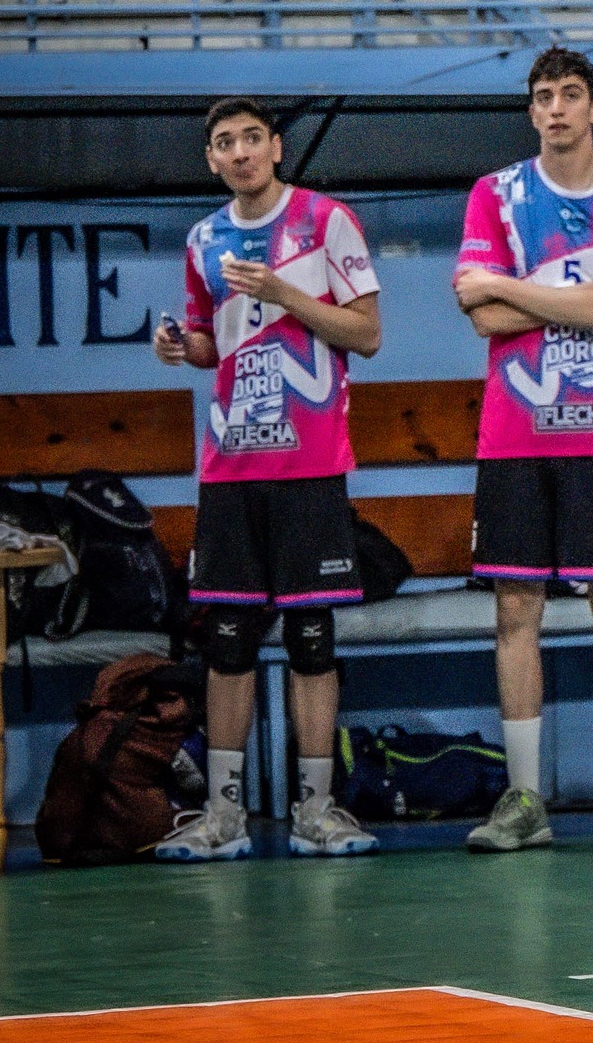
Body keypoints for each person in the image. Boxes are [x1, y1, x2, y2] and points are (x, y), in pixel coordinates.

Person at [452, 46, 593, 852]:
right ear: (531, 110)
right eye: (543, 95)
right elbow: (480, 317)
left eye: (570, 94)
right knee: (515, 611)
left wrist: (507, 285)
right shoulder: (495, 194)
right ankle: (523, 801)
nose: (555, 108)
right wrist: (570, 298)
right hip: (513, 436)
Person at [153, 97, 382, 860]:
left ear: (276, 147)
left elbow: (367, 333)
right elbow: (209, 342)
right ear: (211, 160)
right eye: (225, 142)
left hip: (309, 465)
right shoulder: (203, 238)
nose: (241, 151)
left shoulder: (325, 221)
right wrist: (179, 347)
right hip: (229, 466)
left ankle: (316, 810)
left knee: (313, 641)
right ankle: (223, 818)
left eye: (252, 137)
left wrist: (286, 294)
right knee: (226, 645)